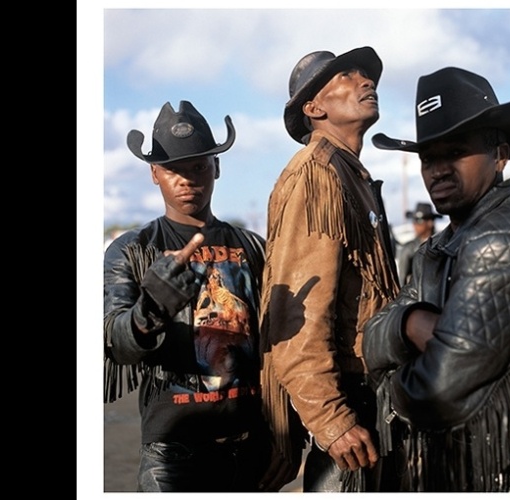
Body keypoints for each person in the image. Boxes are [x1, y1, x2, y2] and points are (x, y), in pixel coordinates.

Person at [362, 67, 510, 492]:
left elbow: (439, 390)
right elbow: (370, 335)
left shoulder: (500, 238)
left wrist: (384, 383)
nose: (438, 171)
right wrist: (410, 323)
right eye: (428, 158)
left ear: (499, 156)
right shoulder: (443, 243)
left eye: (455, 152)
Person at [103, 100, 299, 492]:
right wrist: (150, 310)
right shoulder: (133, 249)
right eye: (174, 169)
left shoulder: (253, 247)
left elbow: (282, 345)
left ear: (217, 167)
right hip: (173, 454)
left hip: (254, 447)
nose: (187, 180)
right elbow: (113, 340)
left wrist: (287, 431)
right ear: (155, 173)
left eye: (198, 166)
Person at [258, 46, 405, 492]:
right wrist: (332, 419)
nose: (366, 82)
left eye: (365, 75)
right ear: (314, 108)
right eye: (346, 76)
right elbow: (295, 311)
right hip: (348, 400)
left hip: (371, 395)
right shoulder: (317, 174)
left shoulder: (350, 174)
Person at [396, 202, 443, 284]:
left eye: (419, 221)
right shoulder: (408, 249)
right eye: (414, 221)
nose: (415, 225)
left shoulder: (443, 245)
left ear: (430, 222)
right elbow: (402, 278)